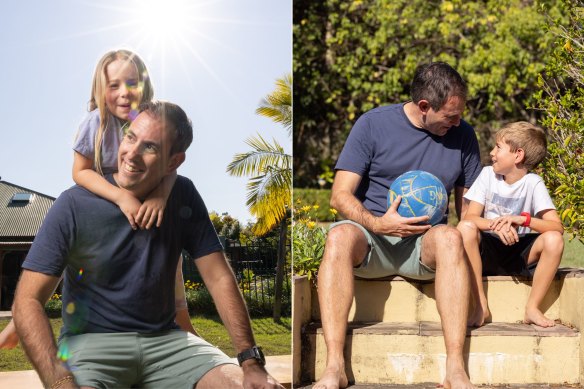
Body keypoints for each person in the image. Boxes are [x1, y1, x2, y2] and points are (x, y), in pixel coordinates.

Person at [12, 101, 283, 389]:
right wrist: (60, 381)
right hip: (90, 346)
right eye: (130, 137)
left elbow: (218, 277)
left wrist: (251, 361)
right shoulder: (73, 203)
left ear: (173, 162)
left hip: (169, 342)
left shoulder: (182, 194)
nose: (132, 154)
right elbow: (27, 301)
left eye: (150, 147)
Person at [0, 49, 196, 350]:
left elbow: (170, 162)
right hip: (104, 202)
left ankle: (182, 323)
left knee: (170, 256)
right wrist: (119, 198)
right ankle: (19, 323)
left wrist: (159, 196)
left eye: (131, 83)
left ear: (144, 85)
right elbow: (80, 172)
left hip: (140, 205)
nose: (123, 93)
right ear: (101, 90)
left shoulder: (150, 120)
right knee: (70, 256)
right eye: (113, 85)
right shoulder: (96, 123)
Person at [314, 62, 482, 389]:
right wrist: (378, 224)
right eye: (450, 116)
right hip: (372, 242)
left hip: (425, 247)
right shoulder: (372, 125)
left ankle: (455, 369)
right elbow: (339, 197)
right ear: (423, 107)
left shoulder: (464, 136)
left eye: (459, 114)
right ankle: (334, 366)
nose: (457, 122)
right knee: (338, 235)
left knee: (449, 237)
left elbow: (468, 213)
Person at [457, 121, 564, 328]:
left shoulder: (533, 183)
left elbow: (556, 227)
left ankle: (532, 308)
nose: (492, 152)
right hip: (488, 250)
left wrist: (522, 219)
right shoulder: (488, 175)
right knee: (464, 228)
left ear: (518, 155)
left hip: (519, 252)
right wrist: (497, 225)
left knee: (554, 239)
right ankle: (480, 305)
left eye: (498, 147)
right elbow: (470, 218)